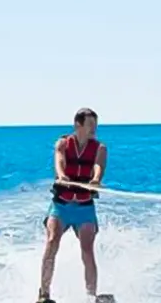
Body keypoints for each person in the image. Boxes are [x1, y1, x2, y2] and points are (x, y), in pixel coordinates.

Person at [38, 107, 108, 303]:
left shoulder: (100, 148)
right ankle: (44, 294)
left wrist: (95, 179)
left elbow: (98, 166)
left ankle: (91, 297)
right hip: (61, 205)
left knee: (87, 248)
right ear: (78, 125)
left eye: (95, 124)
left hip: (84, 207)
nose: (94, 128)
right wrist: (62, 176)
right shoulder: (62, 144)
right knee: (52, 241)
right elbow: (59, 161)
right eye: (90, 124)